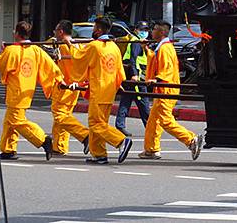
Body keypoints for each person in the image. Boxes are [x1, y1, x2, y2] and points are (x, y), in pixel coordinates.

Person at [0, 21, 62, 160]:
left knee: (16, 121)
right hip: (27, 90)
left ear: (17, 33)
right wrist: (59, 78)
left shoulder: (12, 50)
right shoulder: (35, 50)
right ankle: (8, 149)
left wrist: (2, 51)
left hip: (16, 91)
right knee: (9, 121)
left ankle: (42, 139)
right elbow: (50, 66)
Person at [138, 20, 203, 161]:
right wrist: (146, 49)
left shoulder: (165, 48)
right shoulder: (162, 47)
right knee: (153, 120)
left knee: (165, 120)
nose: (152, 31)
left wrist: (156, 79)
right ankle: (151, 149)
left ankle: (190, 139)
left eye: (154, 29)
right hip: (163, 89)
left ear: (161, 32)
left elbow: (165, 70)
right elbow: (155, 61)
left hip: (166, 90)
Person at [72, 17, 132, 165]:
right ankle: (99, 154)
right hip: (109, 89)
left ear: (98, 30)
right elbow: (120, 71)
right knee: (101, 123)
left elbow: (79, 58)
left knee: (95, 124)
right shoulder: (114, 47)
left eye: (94, 28)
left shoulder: (95, 46)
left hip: (99, 89)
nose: (93, 30)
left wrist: (69, 44)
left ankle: (120, 141)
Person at [50, 20, 90, 156]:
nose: (54, 33)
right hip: (72, 86)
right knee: (63, 117)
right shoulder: (74, 45)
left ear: (61, 32)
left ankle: (85, 135)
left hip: (66, 86)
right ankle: (59, 146)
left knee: (60, 115)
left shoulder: (67, 46)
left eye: (56, 30)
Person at [115, 21, 151, 136]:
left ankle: (120, 125)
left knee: (126, 100)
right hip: (137, 78)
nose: (144, 32)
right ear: (136, 30)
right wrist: (135, 74)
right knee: (143, 103)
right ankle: (150, 127)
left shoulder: (138, 42)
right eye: (142, 30)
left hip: (132, 77)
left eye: (146, 30)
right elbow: (133, 59)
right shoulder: (136, 43)